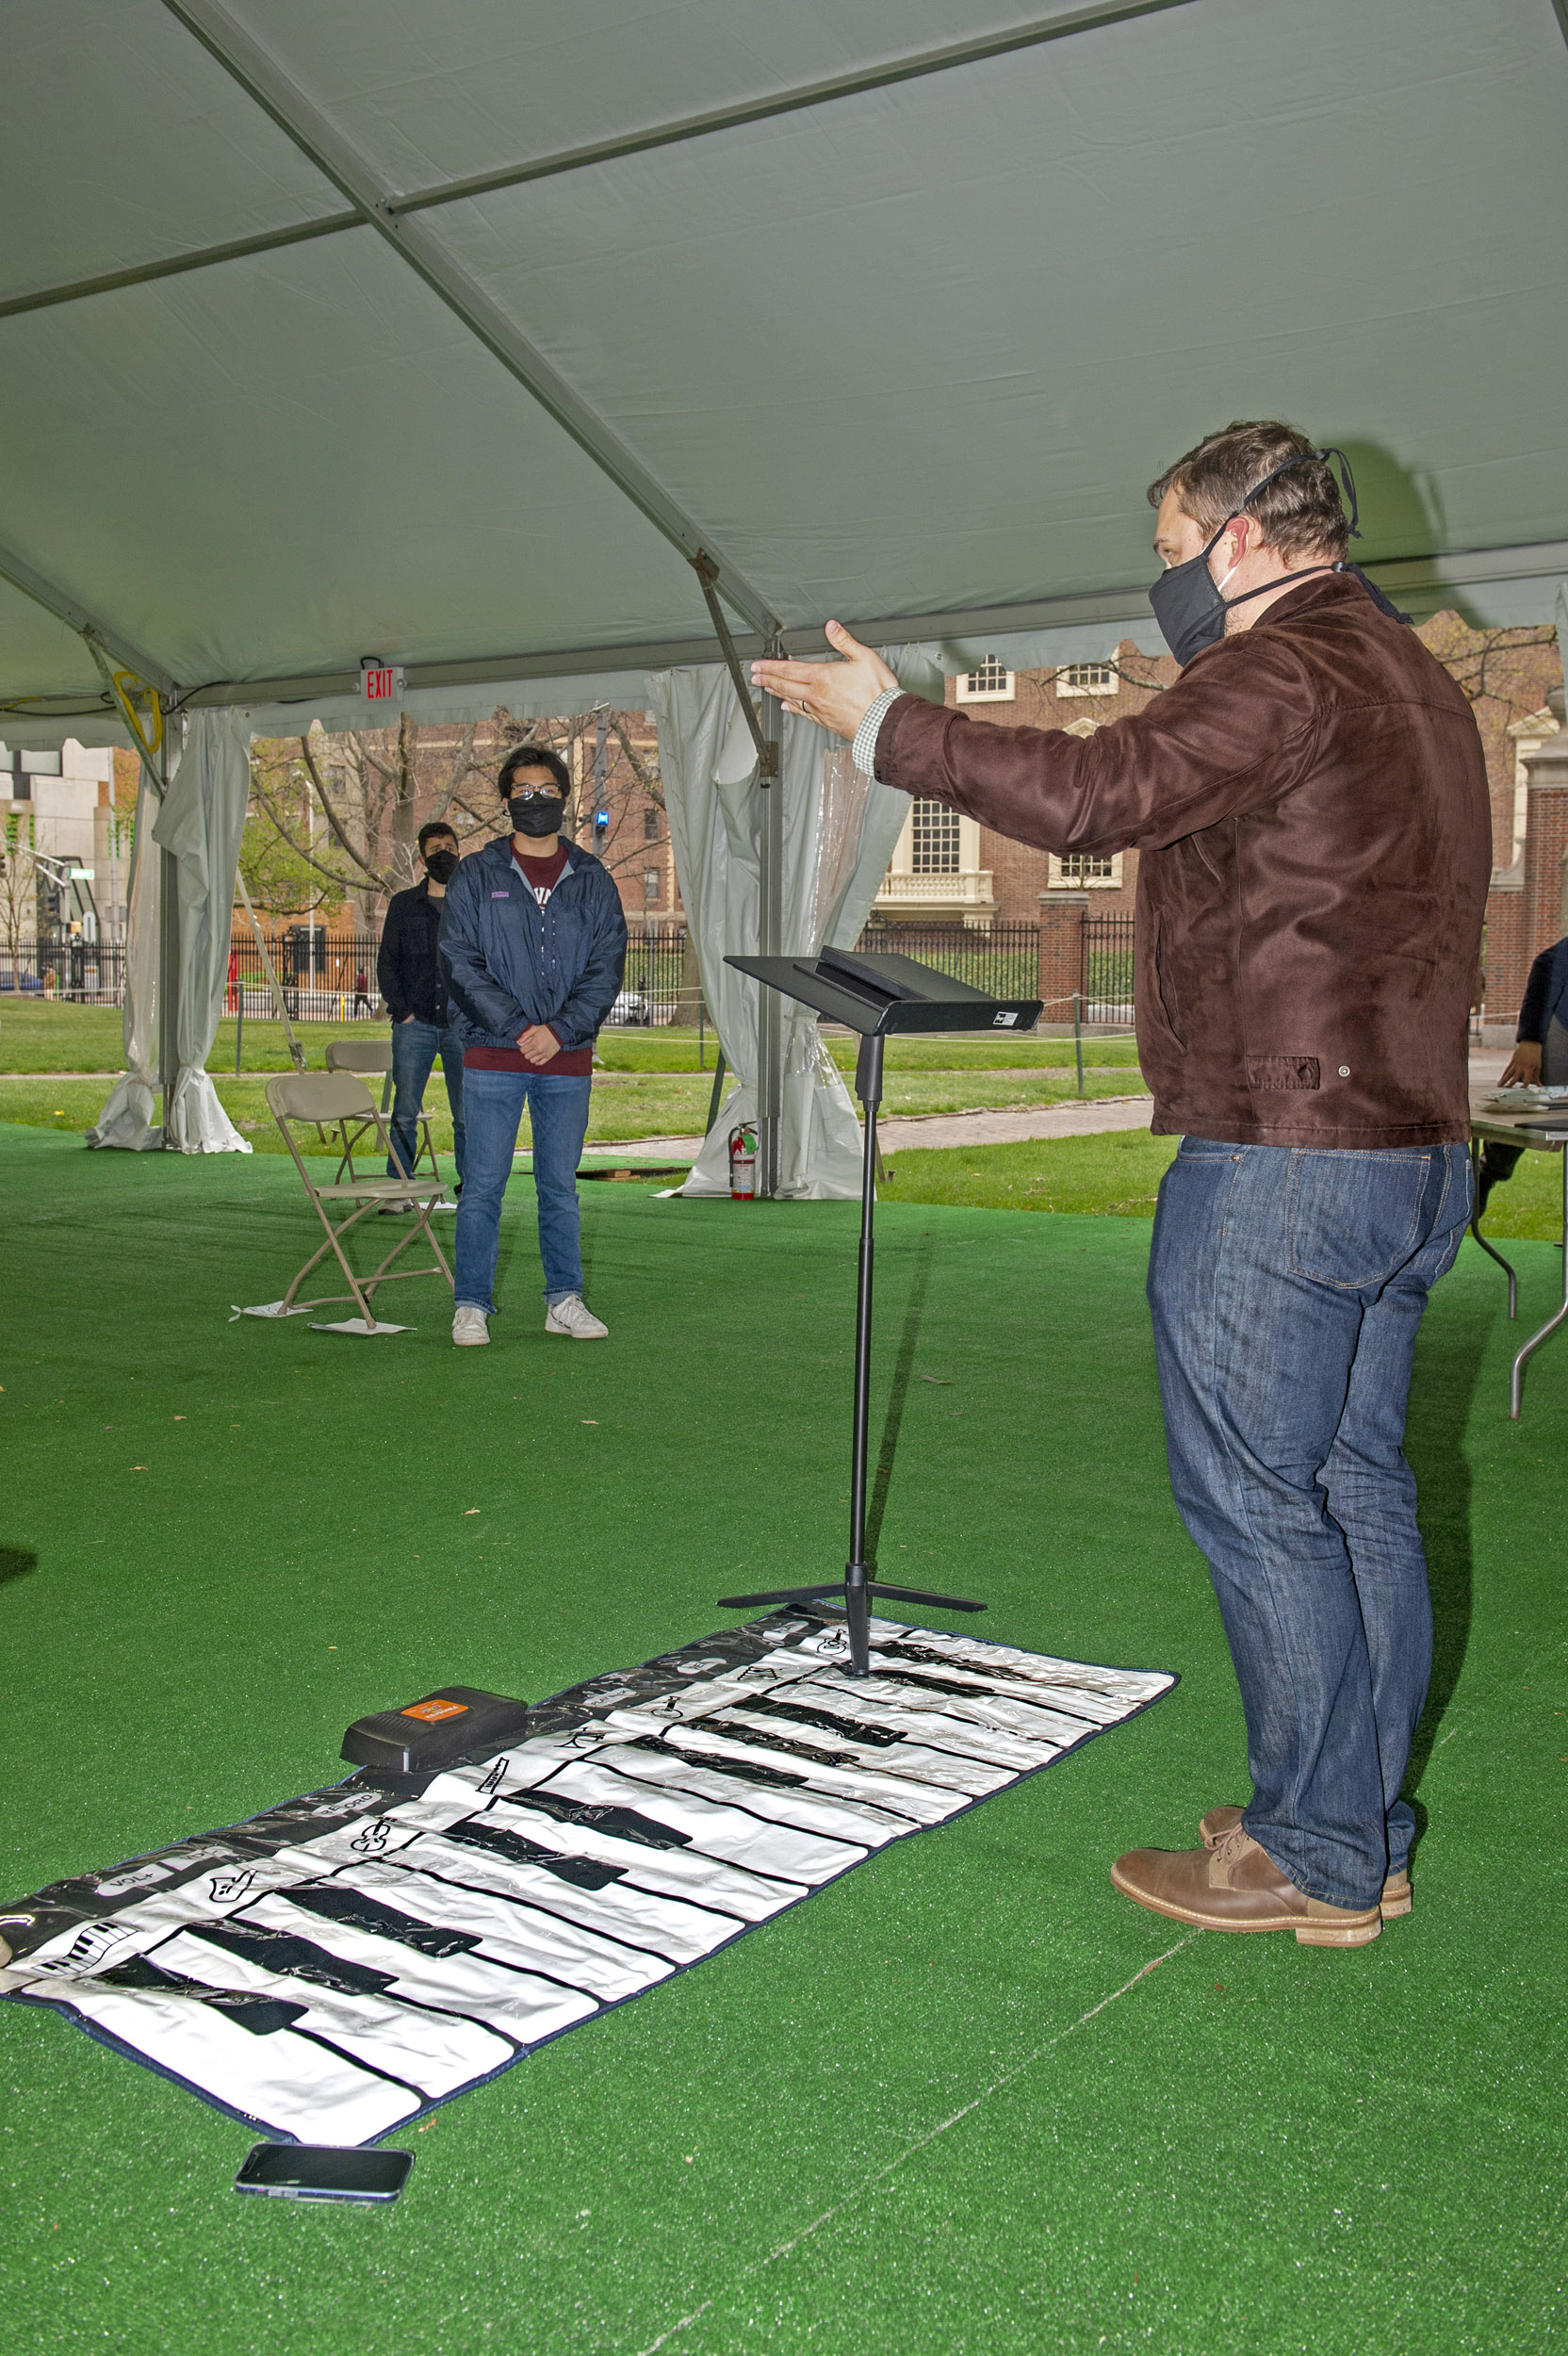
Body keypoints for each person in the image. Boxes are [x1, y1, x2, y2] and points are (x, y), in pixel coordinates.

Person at [754, 421, 1490, 1949]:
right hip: (1406, 1145)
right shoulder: (1406, 674)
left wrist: (888, 723)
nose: (1157, 580)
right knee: (1353, 1488)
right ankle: (1349, 1819)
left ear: (1235, 542)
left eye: (1164, 552)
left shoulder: (1282, 668)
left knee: (1259, 1495)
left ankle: (1313, 1855)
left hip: (1285, 1152)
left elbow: (1100, 794)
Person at [439, 745, 627, 1347]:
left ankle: (563, 1299)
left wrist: (561, 1032)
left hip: (566, 1062)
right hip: (493, 1055)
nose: (535, 802)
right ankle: (470, 1303)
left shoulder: (593, 879)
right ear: (505, 803)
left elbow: (606, 965)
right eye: (523, 793)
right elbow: (459, 961)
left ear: (564, 799)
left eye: (546, 791)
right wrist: (521, 1028)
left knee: (559, 1187)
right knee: (483, 1186)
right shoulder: (475, 874)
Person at [376, 821, 467, 1209]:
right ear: (422, 858)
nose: (443, 853)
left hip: (462, 1026)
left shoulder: (472, 903)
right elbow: (387, 963)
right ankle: (399, 1187)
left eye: (449, 846)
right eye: (435, 849)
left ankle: (473, 1188)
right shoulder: (403, 904)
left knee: (467, 1114)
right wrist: (404, 1012)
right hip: (415, 1025)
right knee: (405, 1110)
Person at [1476, 932, 1568, 1211]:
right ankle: (1486, 1175)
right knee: (1536, 1105)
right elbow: (1548, 964)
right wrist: (1530, 1041)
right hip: (1563, 1031)